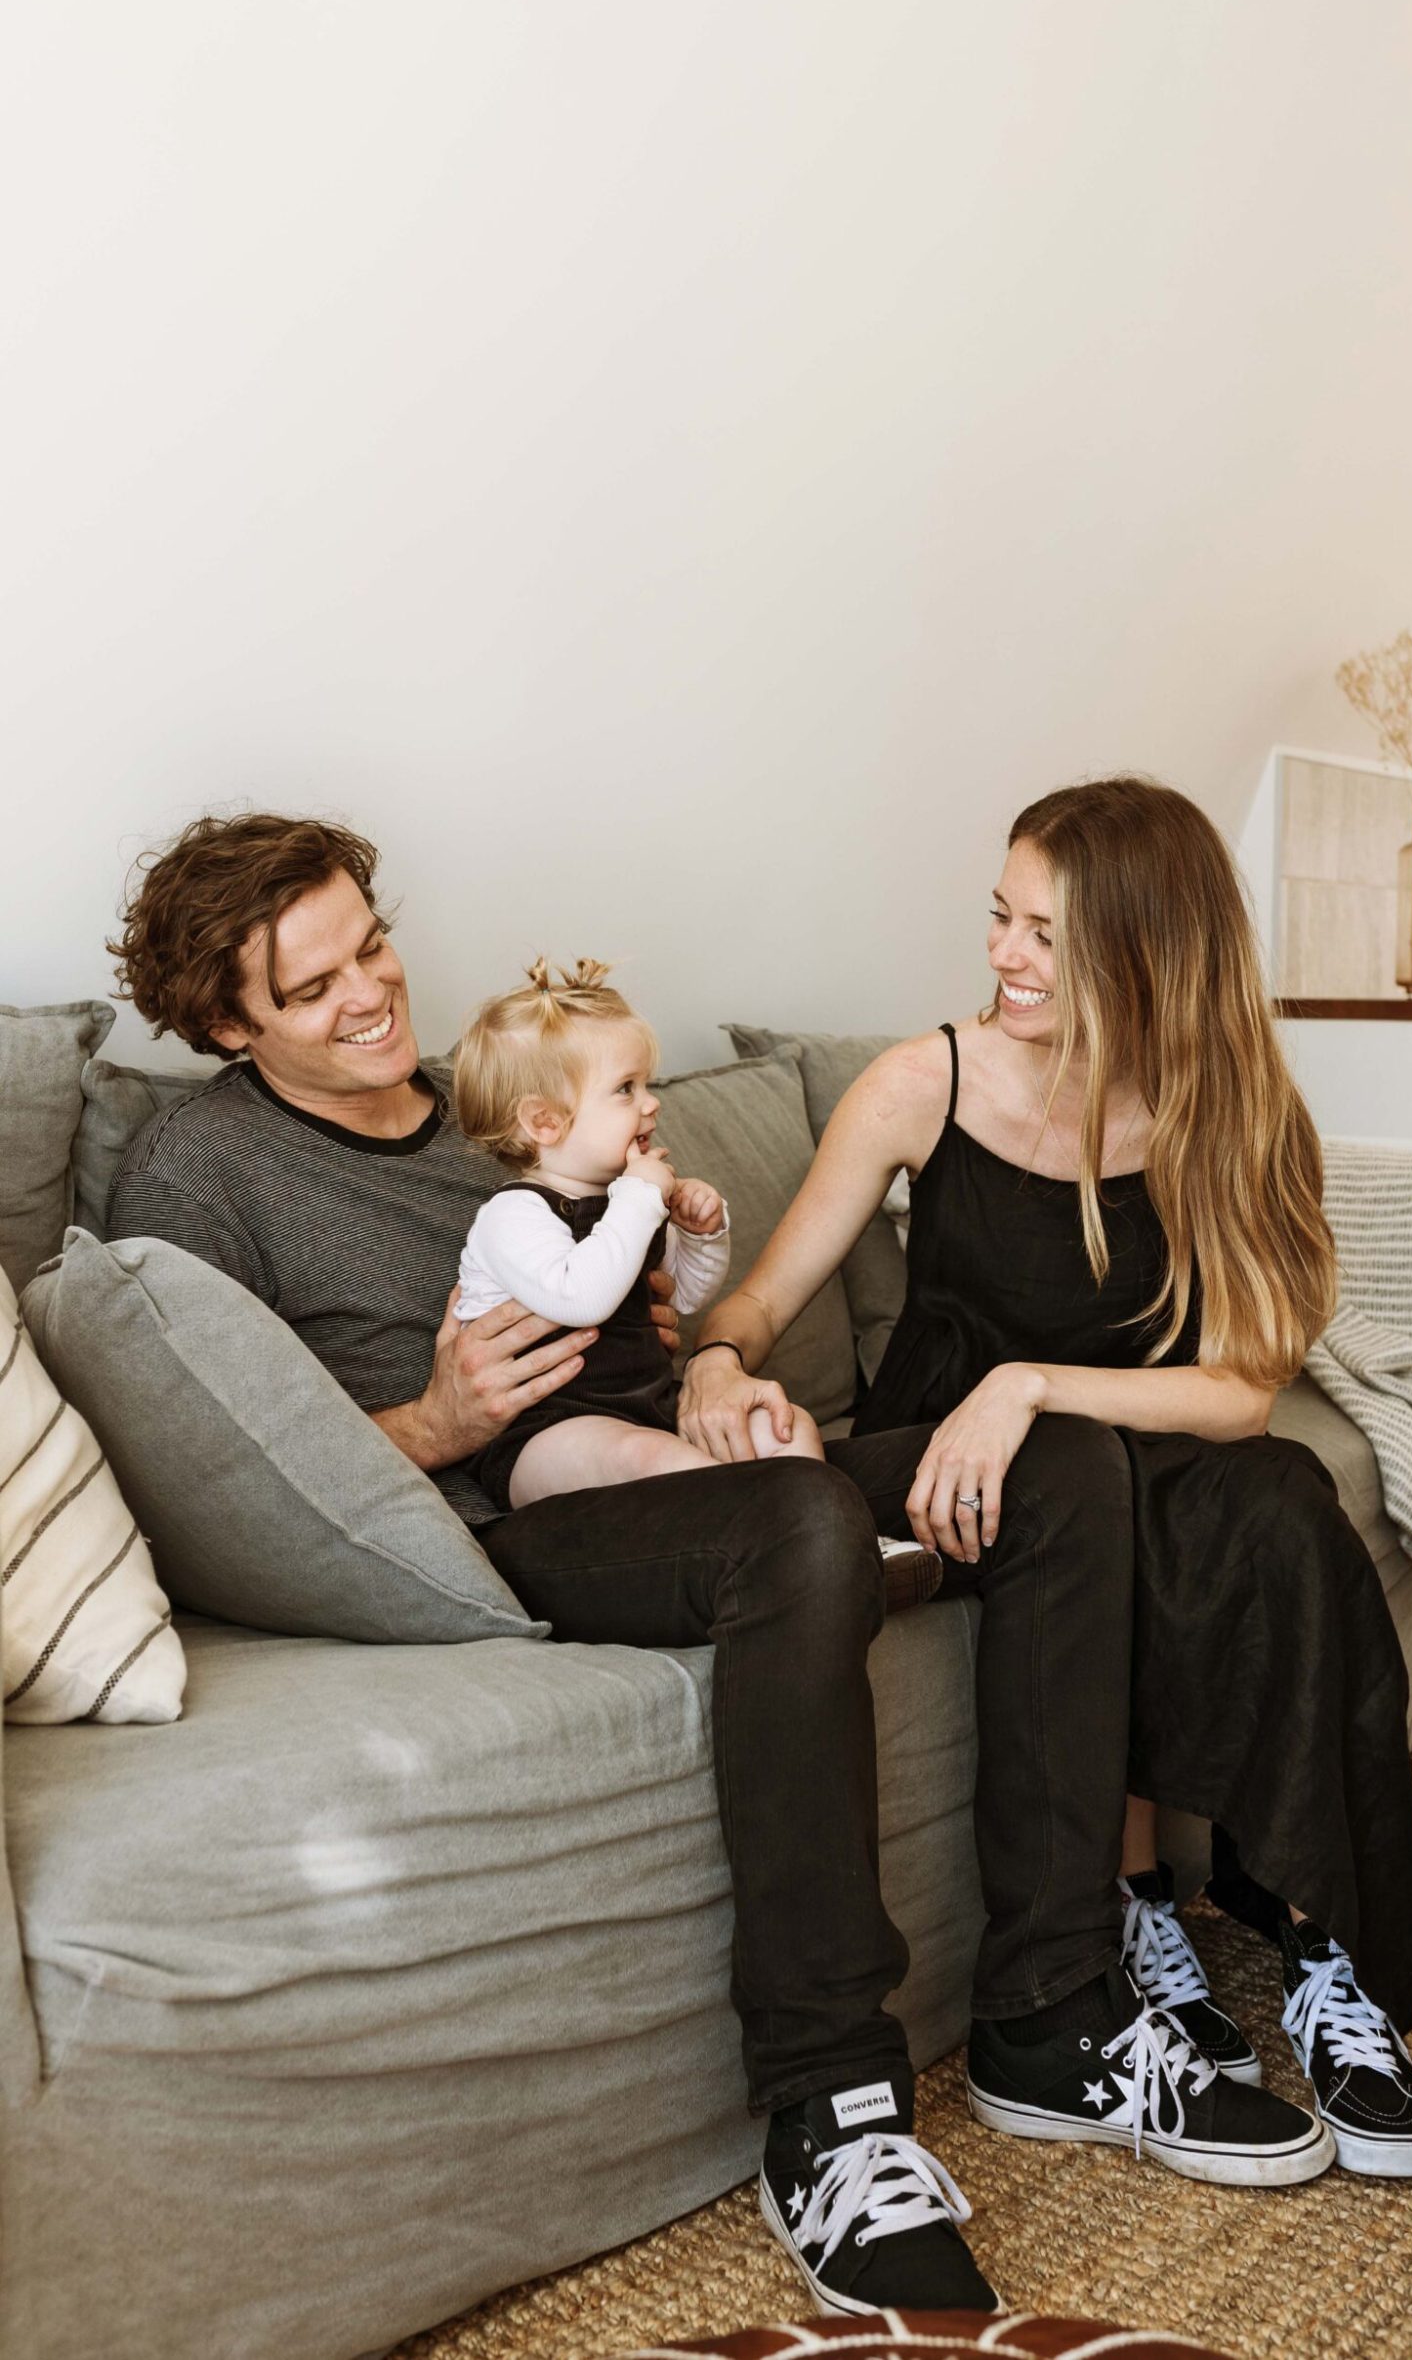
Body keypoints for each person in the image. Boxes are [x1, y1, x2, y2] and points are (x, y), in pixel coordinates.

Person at [106, 810, 1328, 2327]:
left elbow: (670, 1309)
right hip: (507, 1521)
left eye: (370, 945)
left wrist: (714, 1373)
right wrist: (433, 1422)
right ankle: (828, 2110)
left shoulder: (503, 1099)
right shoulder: (197, 1178)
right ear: (227, 1024)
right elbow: (204, 1477)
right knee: (800, 1524)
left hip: (655, 1455)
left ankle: (1048, 2013)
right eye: (313, 990)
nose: (372, 996)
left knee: (1055, 1457)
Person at [681, 775, 1412, 2187]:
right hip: (960, 1487)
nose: (1003, 958)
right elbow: (754, 1304)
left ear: (1149, 955)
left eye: (1045, 935)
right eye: (999, 919)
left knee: (1280, 1504)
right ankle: (1132, 1903)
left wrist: (1027, 1381)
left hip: (1117, 1442)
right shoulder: (925, 1082)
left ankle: (1320, 1959)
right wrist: (718, 1375)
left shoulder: (1234, 1110)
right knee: (1106, 1490)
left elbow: (1241, 1388)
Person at [450, 953, 821, 1509]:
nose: (651, 1103)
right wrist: (643, 1196)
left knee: (784, 1426)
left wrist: (699, 1234)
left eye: (645, 1084)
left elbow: (687, 1295)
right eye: (625, 1088)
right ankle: (771, 1549)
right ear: (544, 1122)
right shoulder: (513, 1214)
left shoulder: (625, 1200)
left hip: (648, 1407)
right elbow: (582, 1297)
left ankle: (842, 1546)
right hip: (544, 1433)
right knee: (659, 1462)